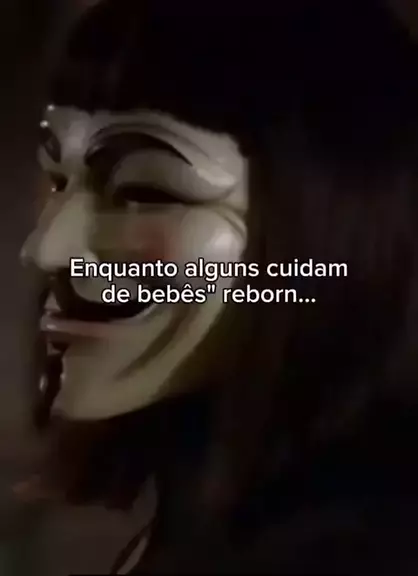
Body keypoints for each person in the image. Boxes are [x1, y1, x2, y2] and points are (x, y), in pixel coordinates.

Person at [20, 0, 418, 572]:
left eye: (148, 192)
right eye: (58, 179)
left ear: (334, 224)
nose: (49, 247)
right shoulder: (201, 506)